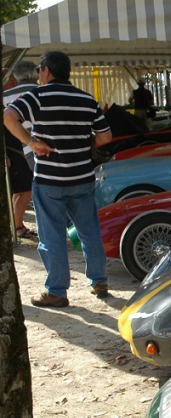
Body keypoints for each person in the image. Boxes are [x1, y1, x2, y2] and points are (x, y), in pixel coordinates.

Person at [3, 50, 112, 308]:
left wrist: (31, 142)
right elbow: (105, 137)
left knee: (52, 237)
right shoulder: (86, 99)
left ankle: (57, 291)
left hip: (50, 180)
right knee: (89, 232)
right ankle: (99, 281)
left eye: (40, 70)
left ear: (47, 71)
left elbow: (8, 116)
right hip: (82, 177)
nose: (39, 75)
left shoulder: (38, 97)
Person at [3, 61, 38, 239]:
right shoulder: (39, 91)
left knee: (21, 190)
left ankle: (17, 225)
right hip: (25, 149)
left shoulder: (5, 96)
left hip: (16, 149)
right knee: (27, 190)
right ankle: (17, 226)